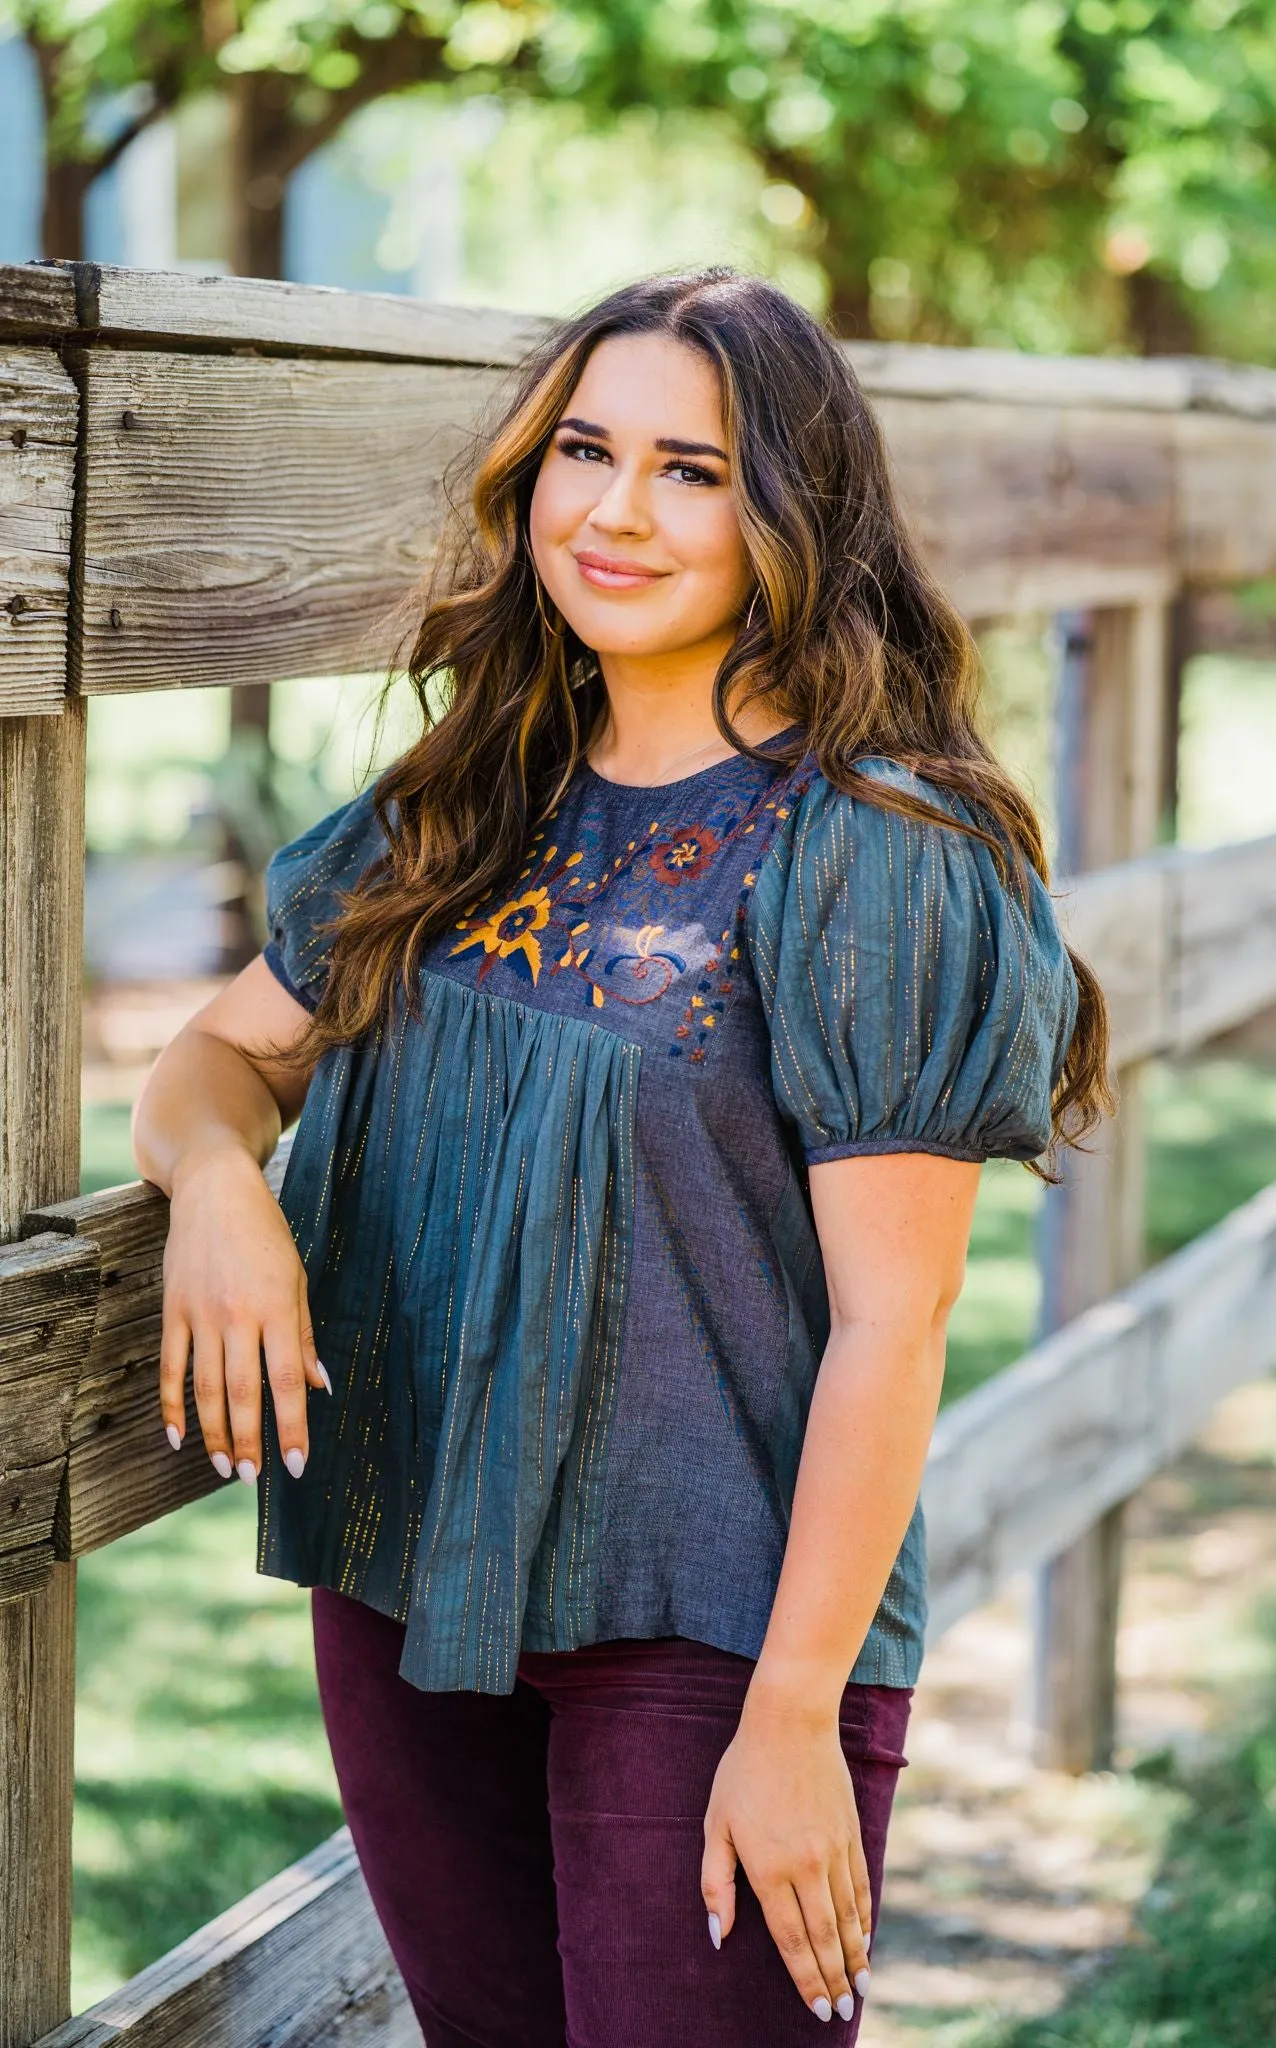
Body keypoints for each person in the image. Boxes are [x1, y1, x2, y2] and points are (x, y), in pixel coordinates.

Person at [132, 265, 1109, 2047]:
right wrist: (217, 1188)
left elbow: (899, 1325)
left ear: (791, 517)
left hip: (719, 1632)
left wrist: (798, 1712)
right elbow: (212, 1061)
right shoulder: (468, 797)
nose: (614, 509)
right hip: (415, 1590)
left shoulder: (878, 850)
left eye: (693, 469)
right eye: (587, 449)